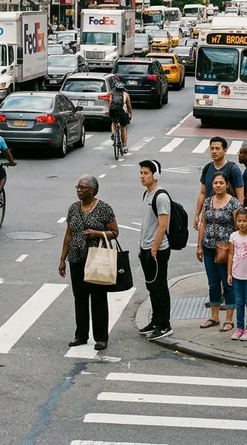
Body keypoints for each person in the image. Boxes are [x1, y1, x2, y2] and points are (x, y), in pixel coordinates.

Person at [58, 175, 119, 351]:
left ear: (92, 190)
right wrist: (63, 259)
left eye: (83, 187)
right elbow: (68, 234)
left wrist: (97, 233)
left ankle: (101, 338)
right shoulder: (73, 208)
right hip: (76, 258)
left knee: (98, 298)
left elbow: (115, 232)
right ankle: (81, 335)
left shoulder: (104, 208)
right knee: (80, 298)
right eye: (77, 187)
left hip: (96, 259)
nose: (79, 190)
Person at [196, 173, 241, 331]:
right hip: (209, 247)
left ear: (227, 184)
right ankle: (214, 316)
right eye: (215, 183)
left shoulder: (234, 203)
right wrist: (199, 245)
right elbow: (203, 223)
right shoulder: (208, 202)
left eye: (221, 182)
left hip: (226, 249)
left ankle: (229, 319)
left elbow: (239, 227)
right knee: (213, 283)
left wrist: (237, 249)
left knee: (228, 283)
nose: (218, 185)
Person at [138, 159, 172, 341]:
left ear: (155, 175)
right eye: (141, 173)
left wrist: (154, 247)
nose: (142, 176)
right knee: (151, 286)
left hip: (157, 250)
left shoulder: (161, 197)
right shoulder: (147, 194)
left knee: (160, 286)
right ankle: (155, 320)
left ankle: (164, 324)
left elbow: (162, 225)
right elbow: (147, 222)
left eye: (146, 173)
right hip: (146, 248)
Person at [194, 136, 245, 231]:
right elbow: (202, 193)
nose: (214, 151)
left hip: (227, 220)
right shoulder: (207, 168)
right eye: (212, 148)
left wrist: (239, 220)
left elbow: (240, 198)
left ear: (225, 150)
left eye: (217, 148)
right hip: (209, 217)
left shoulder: (233, 169)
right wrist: (197, 214)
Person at [228, 208, 247, 341]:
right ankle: (240, 327)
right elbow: (230, 255)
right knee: (239, 302)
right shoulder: (233, 236)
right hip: (236, 274)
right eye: (239, 221)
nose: (241, 223)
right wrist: (229, 273)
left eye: (244, 221)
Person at [108, 76, 133, 153]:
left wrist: (109, 112)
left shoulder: (112, 94)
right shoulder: (125, 94)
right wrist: (130, 113)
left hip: (113, 111)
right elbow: (129, 105)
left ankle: (113, 133)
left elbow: (109, 104)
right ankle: (124, 145)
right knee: (123, 127)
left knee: (113, 121)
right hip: (121, 112)